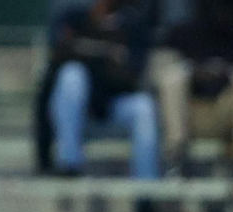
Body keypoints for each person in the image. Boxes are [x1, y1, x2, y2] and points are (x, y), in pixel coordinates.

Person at [45, 0, 160, 180]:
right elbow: (58, 57)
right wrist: (105, 58)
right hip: (80, 110)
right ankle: (69, 164)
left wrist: (88, 55)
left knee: (144, 106)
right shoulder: (74, 18)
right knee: (71, 74)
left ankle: (146, 193)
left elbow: (131, 75)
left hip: (114, 103)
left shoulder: (134, 24)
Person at [151, 0, 233, 175]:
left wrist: (225, 73)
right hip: (189, 116)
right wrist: (193, 72)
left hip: (225, 117)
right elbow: (154, 74)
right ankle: (176, 159)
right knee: (172, 76)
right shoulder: (181, 33)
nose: (224, 13)